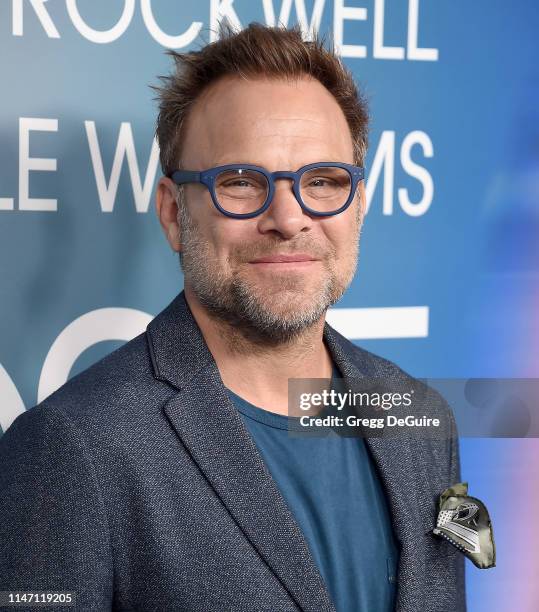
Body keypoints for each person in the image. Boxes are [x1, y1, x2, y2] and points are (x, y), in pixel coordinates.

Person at [0, 23, 465, 612]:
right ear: (174, 213)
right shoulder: (75, 449)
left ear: (359, 206)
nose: (289, 217)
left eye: (323, 181)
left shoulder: (421, 418)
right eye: (240, 182)